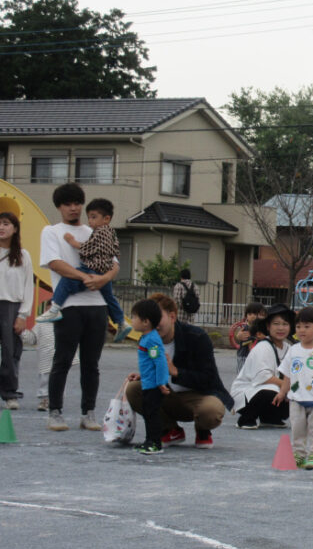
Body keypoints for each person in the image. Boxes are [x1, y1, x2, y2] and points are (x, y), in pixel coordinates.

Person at [40, 183, 119, 432]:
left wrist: (103, 279)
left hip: (97, 306)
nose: (73, 208)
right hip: (69, 306)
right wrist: (85, 277)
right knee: (62, 360)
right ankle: (55, 411)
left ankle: (89, 413)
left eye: (77, 203)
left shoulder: (95, 229)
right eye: (67, 204)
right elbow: (55, 263)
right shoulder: (51, 231)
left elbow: (114, 263)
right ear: (59, 207)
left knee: (91, 363)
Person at [125, 293, 233, 448]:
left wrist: (176, 372)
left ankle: (203, 430)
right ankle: (170, 429)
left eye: (158, 317)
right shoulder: (147, 339)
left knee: (211, 411)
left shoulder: (197, 337)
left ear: (172, 317)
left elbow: (209, 379)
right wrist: (145, 375)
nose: (153, 323)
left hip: (198, 395)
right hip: (167, 394)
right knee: (134, 389)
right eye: (149, 318)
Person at [35, 198, 131, 343]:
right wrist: (104, 278)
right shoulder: (109, 233)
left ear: (106, 219)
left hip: (93, 268)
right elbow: (115, 258)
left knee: (67, 280)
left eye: (94, 217)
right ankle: (121, 322)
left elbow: (90, 248)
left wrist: (72, 242)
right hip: (103, 272)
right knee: (110, 298)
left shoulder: (101, 232)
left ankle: (54, 308)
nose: (90, 221)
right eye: (89, 217)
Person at [273, 306, 313, 470]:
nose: (302, 330)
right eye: (299, 326)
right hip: (297, 399)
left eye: (307, 326)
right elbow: (287, 374)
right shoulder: (293, 350)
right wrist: (282, 392)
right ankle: (299, 455)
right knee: (297, 429)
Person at [230, 303, 294, 430]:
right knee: (270, 390)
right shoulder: (263, 347)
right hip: (247, 393)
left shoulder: (289, 349)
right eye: (276, 324)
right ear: (268, 326)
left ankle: (269, 417)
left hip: (273, 389)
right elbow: (263, 377)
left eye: (285, 324)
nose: (281, 328)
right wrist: (288, 387)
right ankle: (246, 418)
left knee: (297, 396)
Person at [0, 211, 33, 410]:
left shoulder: (23, 255)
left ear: (15, 228)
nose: (1, 227)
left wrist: (23, 315)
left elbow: (29, 286)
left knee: (10, 351)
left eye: (6, 223)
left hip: (12, 307)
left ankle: (10, 393)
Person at [129, 299, 171, 455]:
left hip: (154, 386)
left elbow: (160, 362)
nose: (132, 320)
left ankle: (156, 443)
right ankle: (149, 440)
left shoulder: (152, 339)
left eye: (134, 317)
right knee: (148, 413)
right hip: (147, 383)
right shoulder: (146, 338)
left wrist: (161, 382)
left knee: (153, 414)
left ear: (145, 322)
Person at [231, 301, 266, 375]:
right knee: (242, 375)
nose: (252, 316)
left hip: (258, 357)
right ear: (246, 316)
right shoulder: (246, 328)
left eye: (255, 314)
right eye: (249, 314)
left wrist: (264, 337)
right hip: (244, 356)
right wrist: (239, 336)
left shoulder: (264, 328)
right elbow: (245, 339)